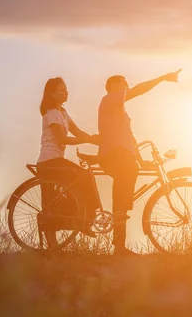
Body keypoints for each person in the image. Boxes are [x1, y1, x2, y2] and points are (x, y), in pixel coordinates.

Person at [98, 70, 181, 256]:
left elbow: (130, 139)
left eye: (126, 84)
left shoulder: (120, 111)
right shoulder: (109, 100)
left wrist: (141, 160)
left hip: (123, 155)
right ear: (112, 87)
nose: (126, 86)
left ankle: (120, 241)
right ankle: (119, 245)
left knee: (127, 186)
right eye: (123, 83)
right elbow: (138, 91)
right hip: (114, 155)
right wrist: (160, 78)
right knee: (123, 196)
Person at [37, 77, 99, 241]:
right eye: (61, 90)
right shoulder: (52, 113)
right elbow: (62, 139)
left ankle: (81, 219)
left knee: (53, 202)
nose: (66, 92)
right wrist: (85, 139)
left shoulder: (63, 113)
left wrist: (93, 139)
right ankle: (85, 219)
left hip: (55, 161)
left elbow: (77, 133)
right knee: (84, 177)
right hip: (49, 162)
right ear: (52, 94)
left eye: (66, 89)